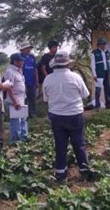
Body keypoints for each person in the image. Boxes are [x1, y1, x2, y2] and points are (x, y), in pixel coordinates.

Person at [43, 51, 92, 182]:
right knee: (79, 143)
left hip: (57, 116)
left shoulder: (48, 79)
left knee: (60, 145)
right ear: (68, 64)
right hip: (75, 115)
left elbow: (46, 98)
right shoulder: (75, 77)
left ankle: (60, 174)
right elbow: (85, 95)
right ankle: (84, 171)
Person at [4, 53, 27, 143]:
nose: (23, 62)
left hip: (21, 99)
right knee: (16, 122)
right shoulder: (10, 71)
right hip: (15, 100)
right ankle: (15, 142)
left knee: (23, 119)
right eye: (21, 61)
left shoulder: (19, 70)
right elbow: (9, 87)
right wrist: (14, 101)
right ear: (15, 61)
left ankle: (24, 138)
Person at [90, 38, 110, 109]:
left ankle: (108, 104)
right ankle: (97, 106)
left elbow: (109, 62)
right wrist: (94, 75)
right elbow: (92, 65)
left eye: (104, 44)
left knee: (107, 88)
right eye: (102, 44)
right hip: (99, 73)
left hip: (107, 72)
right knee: (98, 89)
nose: (104, 46)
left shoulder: (107, 52)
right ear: (99, 45)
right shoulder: (94, 53)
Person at [19, 41, 39, 118]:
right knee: (24, 100)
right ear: (22, 49)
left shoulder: (32, 57)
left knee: (32, 99)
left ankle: (33, 114)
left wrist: (37, 81)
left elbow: (35, 70)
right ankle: (24, 115)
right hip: (23, 83)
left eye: (29, 48)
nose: (28, 49)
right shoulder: (19, 57)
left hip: (32, 82)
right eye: (26, 48)